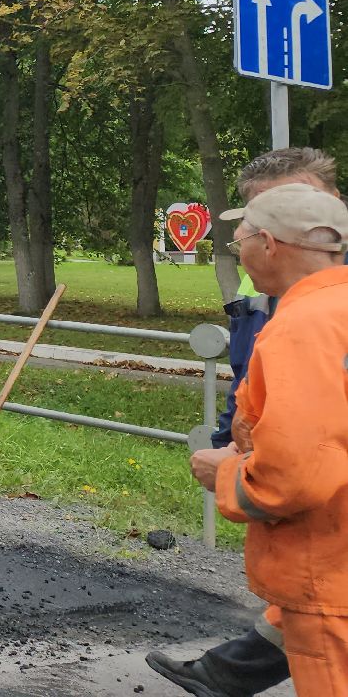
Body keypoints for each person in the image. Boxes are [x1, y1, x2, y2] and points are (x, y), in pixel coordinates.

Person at [148, 147, 337, 695]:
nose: (247, 242)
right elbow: (256, 379)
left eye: (252, 232)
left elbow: (298, 471)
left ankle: (225, 673)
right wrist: (237, 434)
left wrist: (233, 476)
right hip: (318, 532)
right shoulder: (293, 302)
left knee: (322, 618)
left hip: (326, 543)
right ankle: (226, 673)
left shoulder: (310, 320)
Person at [188, 182, 348, 695]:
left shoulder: (300, 328)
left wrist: (227, 474)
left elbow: (295, 476)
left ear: (270, 244)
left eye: (241, 242)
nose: (241, 254)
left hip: (327, 568)